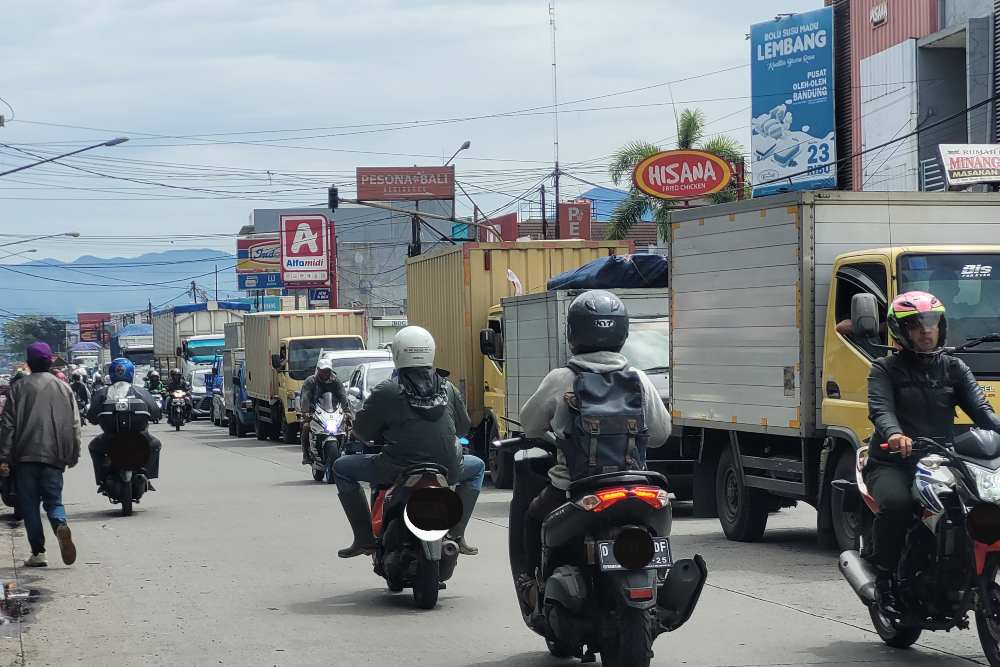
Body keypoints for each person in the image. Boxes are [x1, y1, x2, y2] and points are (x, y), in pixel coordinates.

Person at [514, 290, 672, 611]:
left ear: (573, 333)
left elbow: (528, 425)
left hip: (573, 490)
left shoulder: (563, 378)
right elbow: (660, 434)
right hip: (633, 486)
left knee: (532, 516)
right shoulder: (639, 379)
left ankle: (532, 583)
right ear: (622, 333)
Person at [866, 291, 1000, 616]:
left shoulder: (954, 368)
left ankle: (957, 566)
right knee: (898, 504)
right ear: (900, 331)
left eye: (932, 323)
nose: (926, 332)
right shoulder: (884, 369)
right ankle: (882, 578)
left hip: (944, 460)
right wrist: (896, 435)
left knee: (982, 502)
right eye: (916, 326)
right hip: (893, 461)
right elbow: (881, 410)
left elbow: (983, 412)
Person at [333, 326, 485, 557]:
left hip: (397, 469)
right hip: (448, 468)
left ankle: (364, 538)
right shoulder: (449, 388)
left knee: (341, 468)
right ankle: (457, 535)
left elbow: (362, 432)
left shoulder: (388, 390)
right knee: (478, 467)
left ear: (397, 354)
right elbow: (464, 428)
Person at [0, 342, 79, 567]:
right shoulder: (64, 388)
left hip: (24, 458)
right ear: (51, 361)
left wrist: (4, 457)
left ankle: (38, 553)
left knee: (30, 506)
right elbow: (75, 424)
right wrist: (73, 453)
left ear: (29, 363)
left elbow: (8, 426)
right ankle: (59, 524)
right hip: (54, 456)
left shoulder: (18, 388)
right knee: (54, 501)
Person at [87, 358, 162, 492]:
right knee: (156, 445)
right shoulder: (141, 391)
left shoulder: (102, 393)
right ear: (131, 373)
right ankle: (146, 474)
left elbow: (92, 417)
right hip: (139, 437)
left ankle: (102, 478)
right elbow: (156, 413)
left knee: (93, 447)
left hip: (111, 437)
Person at [298, 357, 351, 466]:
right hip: (315, 412)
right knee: (306, 426)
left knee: (348, 427)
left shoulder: (336, 382)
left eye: (327, 370)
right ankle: (306, 454)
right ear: (318, 370)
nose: (325, 373)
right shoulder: (310, 381)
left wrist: (347, 411)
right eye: (323, 370)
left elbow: (343, 396)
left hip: (332, 413)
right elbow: (305, 397)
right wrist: (305, 412)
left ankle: (347, 451)